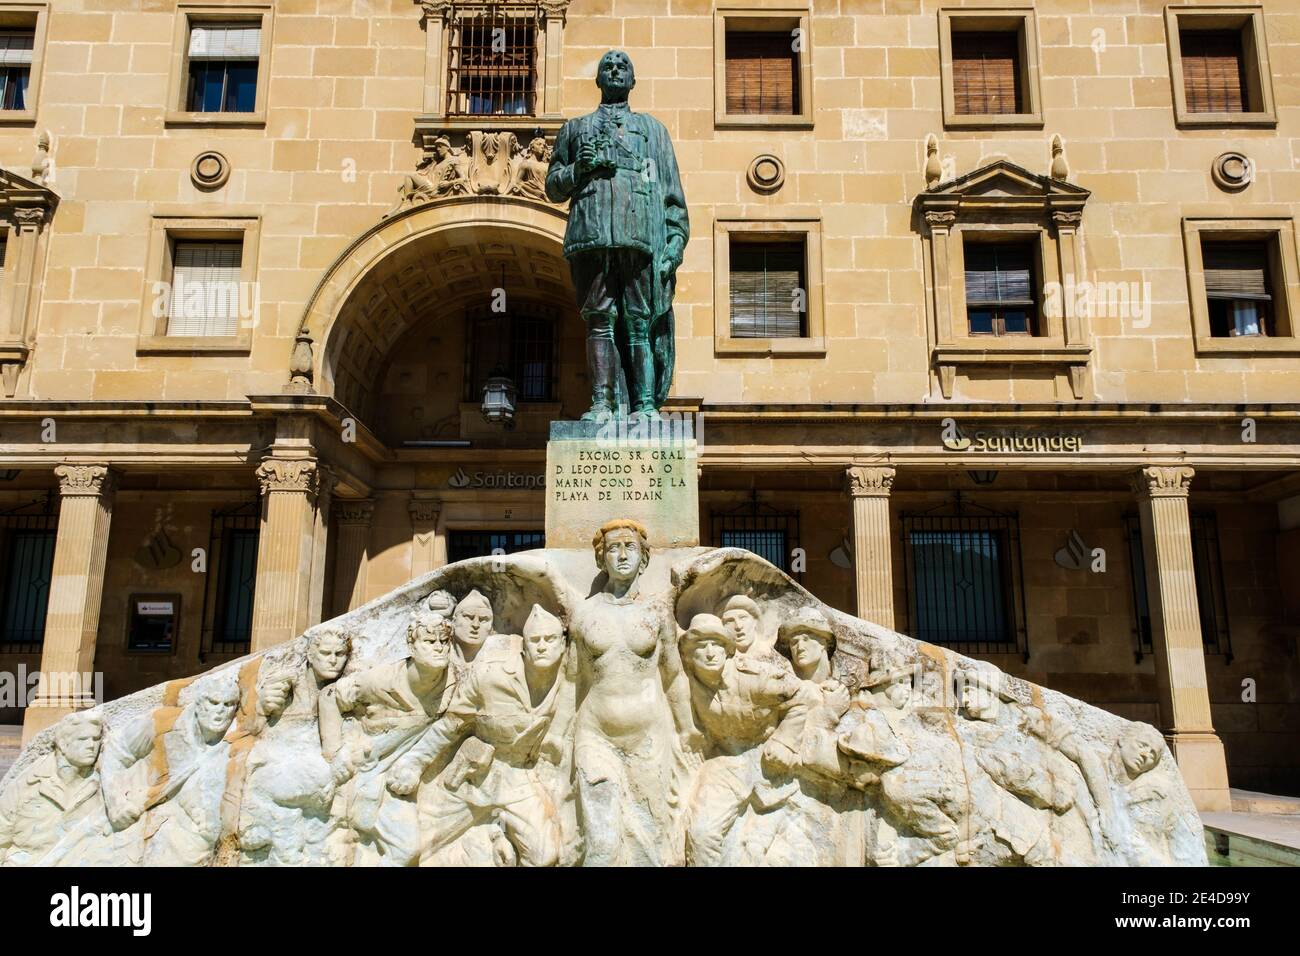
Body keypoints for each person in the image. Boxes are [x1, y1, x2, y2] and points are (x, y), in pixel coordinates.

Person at [545, 50, 689, 421]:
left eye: (622, 66)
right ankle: (602, 403)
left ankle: (643, 405)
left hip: (640, 239)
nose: (614, 71)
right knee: (599, 320)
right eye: (607, 67)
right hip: (591, 236)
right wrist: (579, 168)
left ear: (632, 80)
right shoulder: (575, 130)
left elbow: (671, 193)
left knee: (639, 322)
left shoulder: (652, 131)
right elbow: (554, 187)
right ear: (598, 80)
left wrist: (673, 244)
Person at [388, 604, 574, 867]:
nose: (542, 646)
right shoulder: (490, 677)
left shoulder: (570, 680)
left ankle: (491, 835)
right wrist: (414, 764)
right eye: (535, 640)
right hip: (473, 777)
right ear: (524, 647)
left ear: (563, 643)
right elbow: (450, 725)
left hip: (518, 779)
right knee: (419, 846)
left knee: (544, 855)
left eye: (550, 639)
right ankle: (482, 837)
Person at [567, 518, 701, 865]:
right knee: (599, 840)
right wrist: (556, 735)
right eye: (614, 548)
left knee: (651, 838)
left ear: (644, 558)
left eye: (631, 548)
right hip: (595, 735)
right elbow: (571, 681)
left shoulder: (656, 612)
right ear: (601, 559)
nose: (622, 555)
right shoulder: (584, 612)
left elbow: (673, 676)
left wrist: (687, 729)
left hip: (649, 740)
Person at [324, 609, 457, 866]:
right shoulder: (381, 679)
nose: (439, 648)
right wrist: (334, 751)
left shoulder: (454, 681)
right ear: (412, 646)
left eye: (444, 641)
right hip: (369, 765)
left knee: (406, 850)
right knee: (404, 849)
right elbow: (330, 697)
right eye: (429, 642)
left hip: (403, 773)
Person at [678, 613, 811, 866]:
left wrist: (784, 741)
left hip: (768, 763)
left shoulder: (754, 677)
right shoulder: (685, 683)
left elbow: (800, 698)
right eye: (700, 646)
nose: (709, 653)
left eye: (716, 644)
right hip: (726, 762)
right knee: (701, 833)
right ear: (687, 655)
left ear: (727, 649)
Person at [101, 676, 242, 866]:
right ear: (199, 704)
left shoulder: (239, 736)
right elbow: (117, 752)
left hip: (198, 835)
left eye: (228, 705)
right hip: (142, 815)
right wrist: (116, 802)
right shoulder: (161, 722)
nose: (220, 711)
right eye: (214, 703)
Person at [0, 711, 112, 866]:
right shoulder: (29, 781)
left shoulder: (105, 780)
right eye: (83, 739)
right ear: (63, 744)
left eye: (96, 739)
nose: (91, 746)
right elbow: (2, 833)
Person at [451, 589, 495, 668]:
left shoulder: (500, 662)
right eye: (469, 617)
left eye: (483, 619)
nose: (476, 625)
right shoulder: (439, 657)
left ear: (491, 627)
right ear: (454, 621)